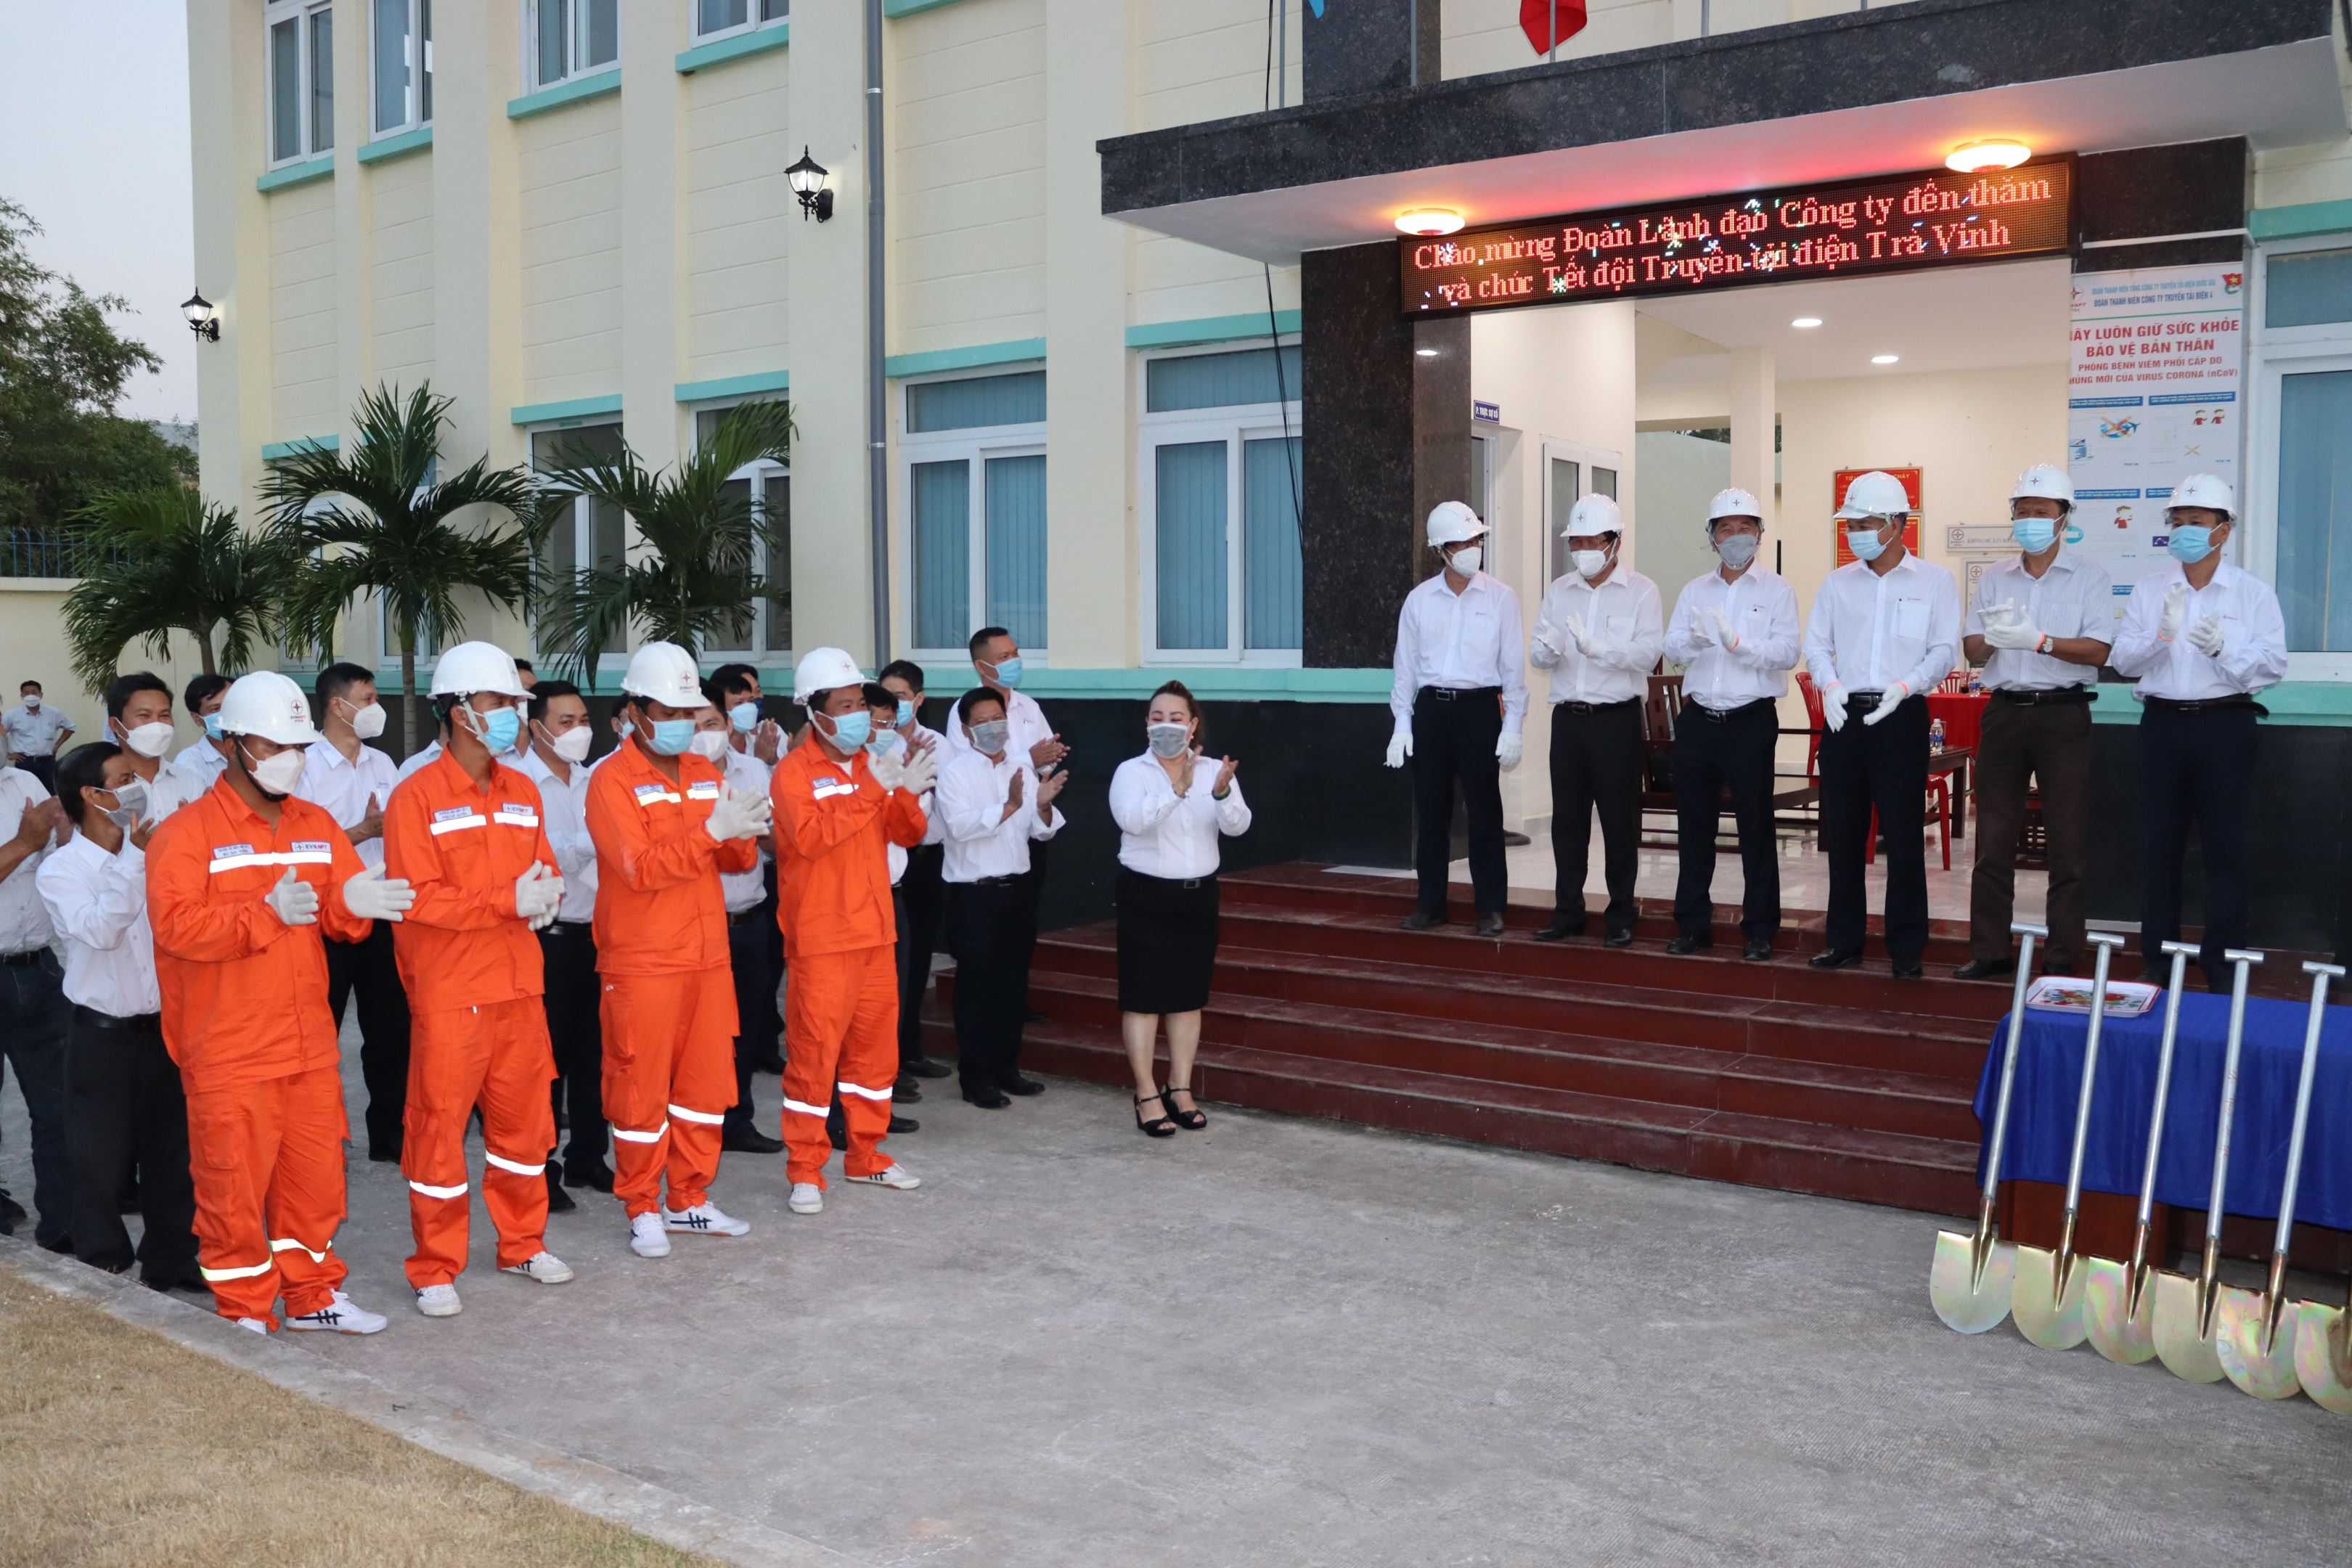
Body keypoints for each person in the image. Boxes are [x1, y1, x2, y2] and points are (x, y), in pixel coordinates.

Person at [146, 670, 412, 1333]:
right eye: (274, 746)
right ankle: (244, 1310)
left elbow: (342, 917)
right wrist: (263, 914)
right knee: (232, 1188)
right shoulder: (187, 834)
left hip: (307, 1045)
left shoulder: (315, 824)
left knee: (314, 1181)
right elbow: (176, 928)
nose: (289, 759)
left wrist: (353, 905)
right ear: (231, 745)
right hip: (229, 1049)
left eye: (296, 747)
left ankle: (313, 1296)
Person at [382, 642, 573, 1318]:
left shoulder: (522, 790)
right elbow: (418, 898)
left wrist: (544, 893)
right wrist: (506, 901)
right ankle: (434, 1266)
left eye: (516, 703)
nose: (513, 714)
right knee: (438, 1132)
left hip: (519, 987)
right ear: (460, 712)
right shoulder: (415, 797)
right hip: (451, 993)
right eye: (500, 702)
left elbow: (542, 867)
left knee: (526, 1130)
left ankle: (523, 1242)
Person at [584, 641, 769, 1259]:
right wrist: (712, 831)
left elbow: (734, 860)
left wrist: (741, 831)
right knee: (639, 1089)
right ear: (635, 712)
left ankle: (689, 1197)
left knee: (704, 1087)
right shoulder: (611, 781)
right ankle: (642, 1204)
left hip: (706, 956)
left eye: (688, 713)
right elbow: (638, 868)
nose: (682, 724)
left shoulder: (702, 772)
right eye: (668, 712)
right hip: (643, 960)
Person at [2110, 473, 2288, 991]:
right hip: (2163, 725)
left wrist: (2223, 650)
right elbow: (2123, 661)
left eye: (2197, 521)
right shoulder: (2150, 589)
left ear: (2224, 530)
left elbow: (2273, 665)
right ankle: (2159, 958)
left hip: (2225, 726)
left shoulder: (2252, 593)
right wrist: (2161, 638)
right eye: (2178, 522)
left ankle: (2223, 962)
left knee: (2225, 848)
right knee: (2159, 846)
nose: (2184, 531)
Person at [769, 649, 932, 1214]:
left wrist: (904, 790)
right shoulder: (794, 772)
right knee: (814, 1060)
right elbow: (811, 839)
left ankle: (866, 1155)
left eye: (861, 703)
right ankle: (805, 1169)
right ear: (814, 713)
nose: (859, 714)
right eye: (846, 706)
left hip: (875, 933)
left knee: (873, 1059)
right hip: (821, 939)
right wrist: (871, 792)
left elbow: (908, 834)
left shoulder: (871, 764)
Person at [36, 742, 200, 1293]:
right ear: (91, 795)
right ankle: (105, 1261)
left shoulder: (156, 851)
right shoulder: (61, 870)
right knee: (100, 1160)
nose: (138, 787)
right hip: (101, 1036)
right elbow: (101, 930)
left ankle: (173, 1259)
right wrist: (136, 859)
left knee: (172, 1154)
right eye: (125, 779)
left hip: (164, 1027)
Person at [1953, 465, 2113, 981]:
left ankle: (2063, 954)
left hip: (2064, 714)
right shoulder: (1996, 577)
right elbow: (1973, 650)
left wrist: (2040, 641)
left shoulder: (2090, 576)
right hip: (2004, 713)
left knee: (2067, 843)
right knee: (1993, 839)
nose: (2030, 520)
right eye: (2022, 511)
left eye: (2041, 512)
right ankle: (1990, 949)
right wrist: (1997, 638)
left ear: (2064, 518)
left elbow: (2099, 650)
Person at [1802, 470, 1961, 979]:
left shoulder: (1934, 581)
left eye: (1865, 523)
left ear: (1897, 523)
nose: (1855, 533)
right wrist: (1829, 685)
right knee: (1844, 834)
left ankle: (1907, 947)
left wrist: (1907, 686)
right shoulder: (1837, 583)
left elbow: (1945, 650)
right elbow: (1816, 645)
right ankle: (1843, 941)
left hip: (1901, 715)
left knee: (1904, 834)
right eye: (1850, 524)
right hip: (1846, 716)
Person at [1658, 488, 1801, 961]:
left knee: (1755, 827)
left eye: (1745, 527)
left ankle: (1759, 929)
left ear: (1759, 534)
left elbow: (1787, 652)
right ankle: (1692, 925)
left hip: (1750, 722)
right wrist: (1696, 641)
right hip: (1699, 721)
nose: (1736, 536)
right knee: (1693, 827)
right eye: (1726, 528)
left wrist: (1739, 644)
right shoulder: (1694, 591)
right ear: (1712, 538)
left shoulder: (1777, 591)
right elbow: (1671, 647)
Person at [1108, 682, 1249, 1137]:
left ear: (1192, 726)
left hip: (1198, 897)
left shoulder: (1213, 770)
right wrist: (1178, 788)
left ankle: (1180, 1088)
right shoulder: (1131, 772)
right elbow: (1132, 821)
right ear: (1146, 725)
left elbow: (1239, 826)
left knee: (1188, 997)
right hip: (1146, 896)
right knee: (1144, 998)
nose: (1165, 726)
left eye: (1175, 718)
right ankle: (1146, 1092)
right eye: (1157, 718)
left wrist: (1222, 794)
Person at [1387, 502, 1528, 937]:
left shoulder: (1501, 597)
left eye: (1476, 540)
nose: (1472, 549)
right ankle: (1431, 904)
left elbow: (1514, 671)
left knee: (1485, 811)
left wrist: (1513, 726)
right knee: (1431, 812)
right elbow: (1405, 669)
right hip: (1432, 711)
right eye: (1462, 543)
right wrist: (1402, 723)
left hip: (1479, 711)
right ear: (1441, 550)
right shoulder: (1419, 600)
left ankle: (1491, 908)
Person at [1528, 494, 1662, 947]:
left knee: (1619, 822)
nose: (1583, 549)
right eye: (1576, 541)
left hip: (1615, 721)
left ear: (1615, 542)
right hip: (1568, 720)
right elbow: (1538, 651)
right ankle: (1568, 912)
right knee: (1567, 824)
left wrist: (1598, 649)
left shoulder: (1641, 591)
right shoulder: (1559, 590)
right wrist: (1546, 652)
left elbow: (1647, 653)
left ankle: (1621, 913)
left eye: (1592, 541)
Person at [297, 661, 412, 1161]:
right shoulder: (303, 767)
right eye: (367, 700)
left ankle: (390, 1135)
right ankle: (321, 1137)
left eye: (375, 698)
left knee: (391, 1032)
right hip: (324, 916)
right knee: (320, 1031)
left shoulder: (383, 764)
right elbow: (301, 850)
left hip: (381, 913)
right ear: (336, 705)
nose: (375, 708)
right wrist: (363, 832)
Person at [937, 687, 1066, 1108]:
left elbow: (1040, 831)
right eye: (982, 722)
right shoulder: (955, 773)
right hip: (975, 895)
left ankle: (1007, 1067)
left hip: (1017, 890)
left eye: (998, 719)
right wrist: (1009, 805)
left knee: (1012, 983)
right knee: (976, 987)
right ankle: (976, 1077)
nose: (993, 728)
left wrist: (1042, 806)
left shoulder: (1022, 768)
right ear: (965, 730)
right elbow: (960, 828)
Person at [516, 679, 608, 1212]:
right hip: (546, 940)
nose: (579, 732)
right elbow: (541, 856)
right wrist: (592, 841)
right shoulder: (519, 784)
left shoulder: (596, 780)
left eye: (584, 721)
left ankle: (589, 1156)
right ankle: (542, 1169)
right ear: (537, 728)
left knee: (595, 1055)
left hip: (597, 934)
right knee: (546, 1063)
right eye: (566, 722)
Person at [702, 665, 785, 1156]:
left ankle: (737, 1119)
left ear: (729, 723)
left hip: (749, 918)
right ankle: (695, 1124)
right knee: (700, 1032)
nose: (705, 734)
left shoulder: (752, 770)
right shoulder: (676, 780)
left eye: (713, 723)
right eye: (696, 725)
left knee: (747, 1026)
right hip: (699, 925)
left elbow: (775, 842)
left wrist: (761, 831)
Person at [0, 753, 72, 1253]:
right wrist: (25, 841)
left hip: (40, 968)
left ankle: (63, 1221)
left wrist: (64, 840)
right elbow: (29, 845)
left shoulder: (22, 780)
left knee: (60, 1103)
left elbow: (55, 865)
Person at [878, 660, 954, 1085]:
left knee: (916, 959)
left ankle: (910, 1050)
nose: (894, 707)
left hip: (924, 861)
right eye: (886, 698)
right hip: (887, 863)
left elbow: (945, 803)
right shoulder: (875, 744)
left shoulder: (938, 743)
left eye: (901, 698)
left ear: (919, 699)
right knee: (887, 971)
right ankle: (886, 1063)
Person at [102, 671, 209, 826]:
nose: (157, 725)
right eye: (144, 715)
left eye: (164, 715)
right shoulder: (102, 786)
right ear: (115, 725)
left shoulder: (190, 780)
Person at [3, 680, 75, 793]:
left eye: (34, 692)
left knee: (50, 794)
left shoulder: (53, 713)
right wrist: (8, 754)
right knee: (26, 794)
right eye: (27, 693)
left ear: (41, 695)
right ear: (22, 696)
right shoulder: (13, 715)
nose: (31, 696)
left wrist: (57, 746)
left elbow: (70, 727)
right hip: (25, 763)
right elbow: (1, 732)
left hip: (48, 763)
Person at [174, 674, 234, 789]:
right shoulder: (188, 763)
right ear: (197, 719)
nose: (227, 713)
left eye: (230, 705)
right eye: (215, 709)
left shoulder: (259, 749)